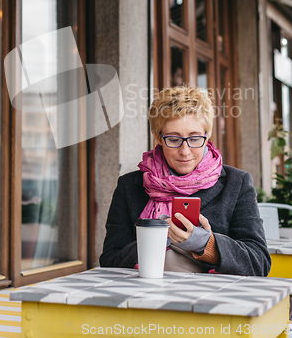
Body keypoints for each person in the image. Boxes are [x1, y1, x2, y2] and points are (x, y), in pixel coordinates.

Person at [100, 85, 271, 276]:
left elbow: (259, 263)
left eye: (195, 138)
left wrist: (207, 244)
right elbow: (109, 261)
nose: (185, 151)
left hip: (213, 299)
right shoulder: (129, 186)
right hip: (146, 297)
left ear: (207, 137)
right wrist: (154, 242)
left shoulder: (237, 184)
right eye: (173, 139)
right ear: (158, 137)